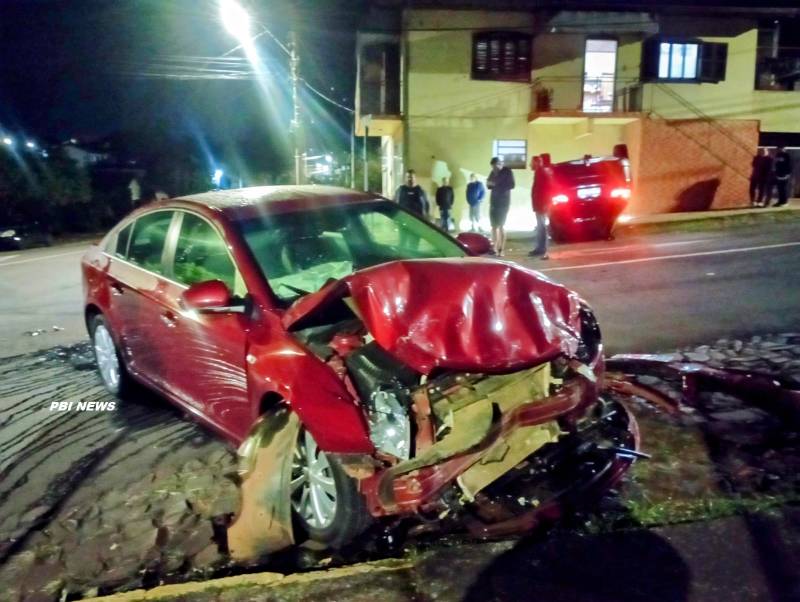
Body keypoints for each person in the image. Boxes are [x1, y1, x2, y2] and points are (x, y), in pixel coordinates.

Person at [486, 157, 515, 256]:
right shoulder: (493, 172)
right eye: (492, 167)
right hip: (493, 202)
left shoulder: (507, 172)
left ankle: (501, 249)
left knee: (501, 225)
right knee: (493, 226)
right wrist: (491, 183)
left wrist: (496, 184)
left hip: (503, 202)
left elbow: (512, 185)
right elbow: (488, 185)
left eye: (495, 167)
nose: (493, 169)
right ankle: (494, 247)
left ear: (499, 164)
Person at [528, 155, 550, 259]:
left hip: (541, 205)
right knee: (541, 227)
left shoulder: (541, 173)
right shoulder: (539, 172)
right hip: (540, 205)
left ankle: (542, 249)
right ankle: (540, 248)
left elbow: (545, 189)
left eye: (532, 162)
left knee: (542, 227)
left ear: (536, 162)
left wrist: (545, 204)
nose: (530, 165)